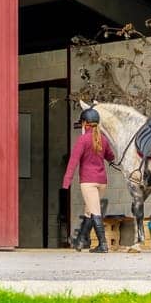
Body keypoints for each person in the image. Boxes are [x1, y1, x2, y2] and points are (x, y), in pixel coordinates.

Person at [61, 104, 117, 252]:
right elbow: (110, 156)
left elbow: (73, 162)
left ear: (85, 123)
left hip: (88, 181)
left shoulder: (83, 140)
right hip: (102, 181)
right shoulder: (103, 139)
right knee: (89, 211)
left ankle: (103, 244)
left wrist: (66, 182)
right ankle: (80, 242)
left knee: (95, 212)